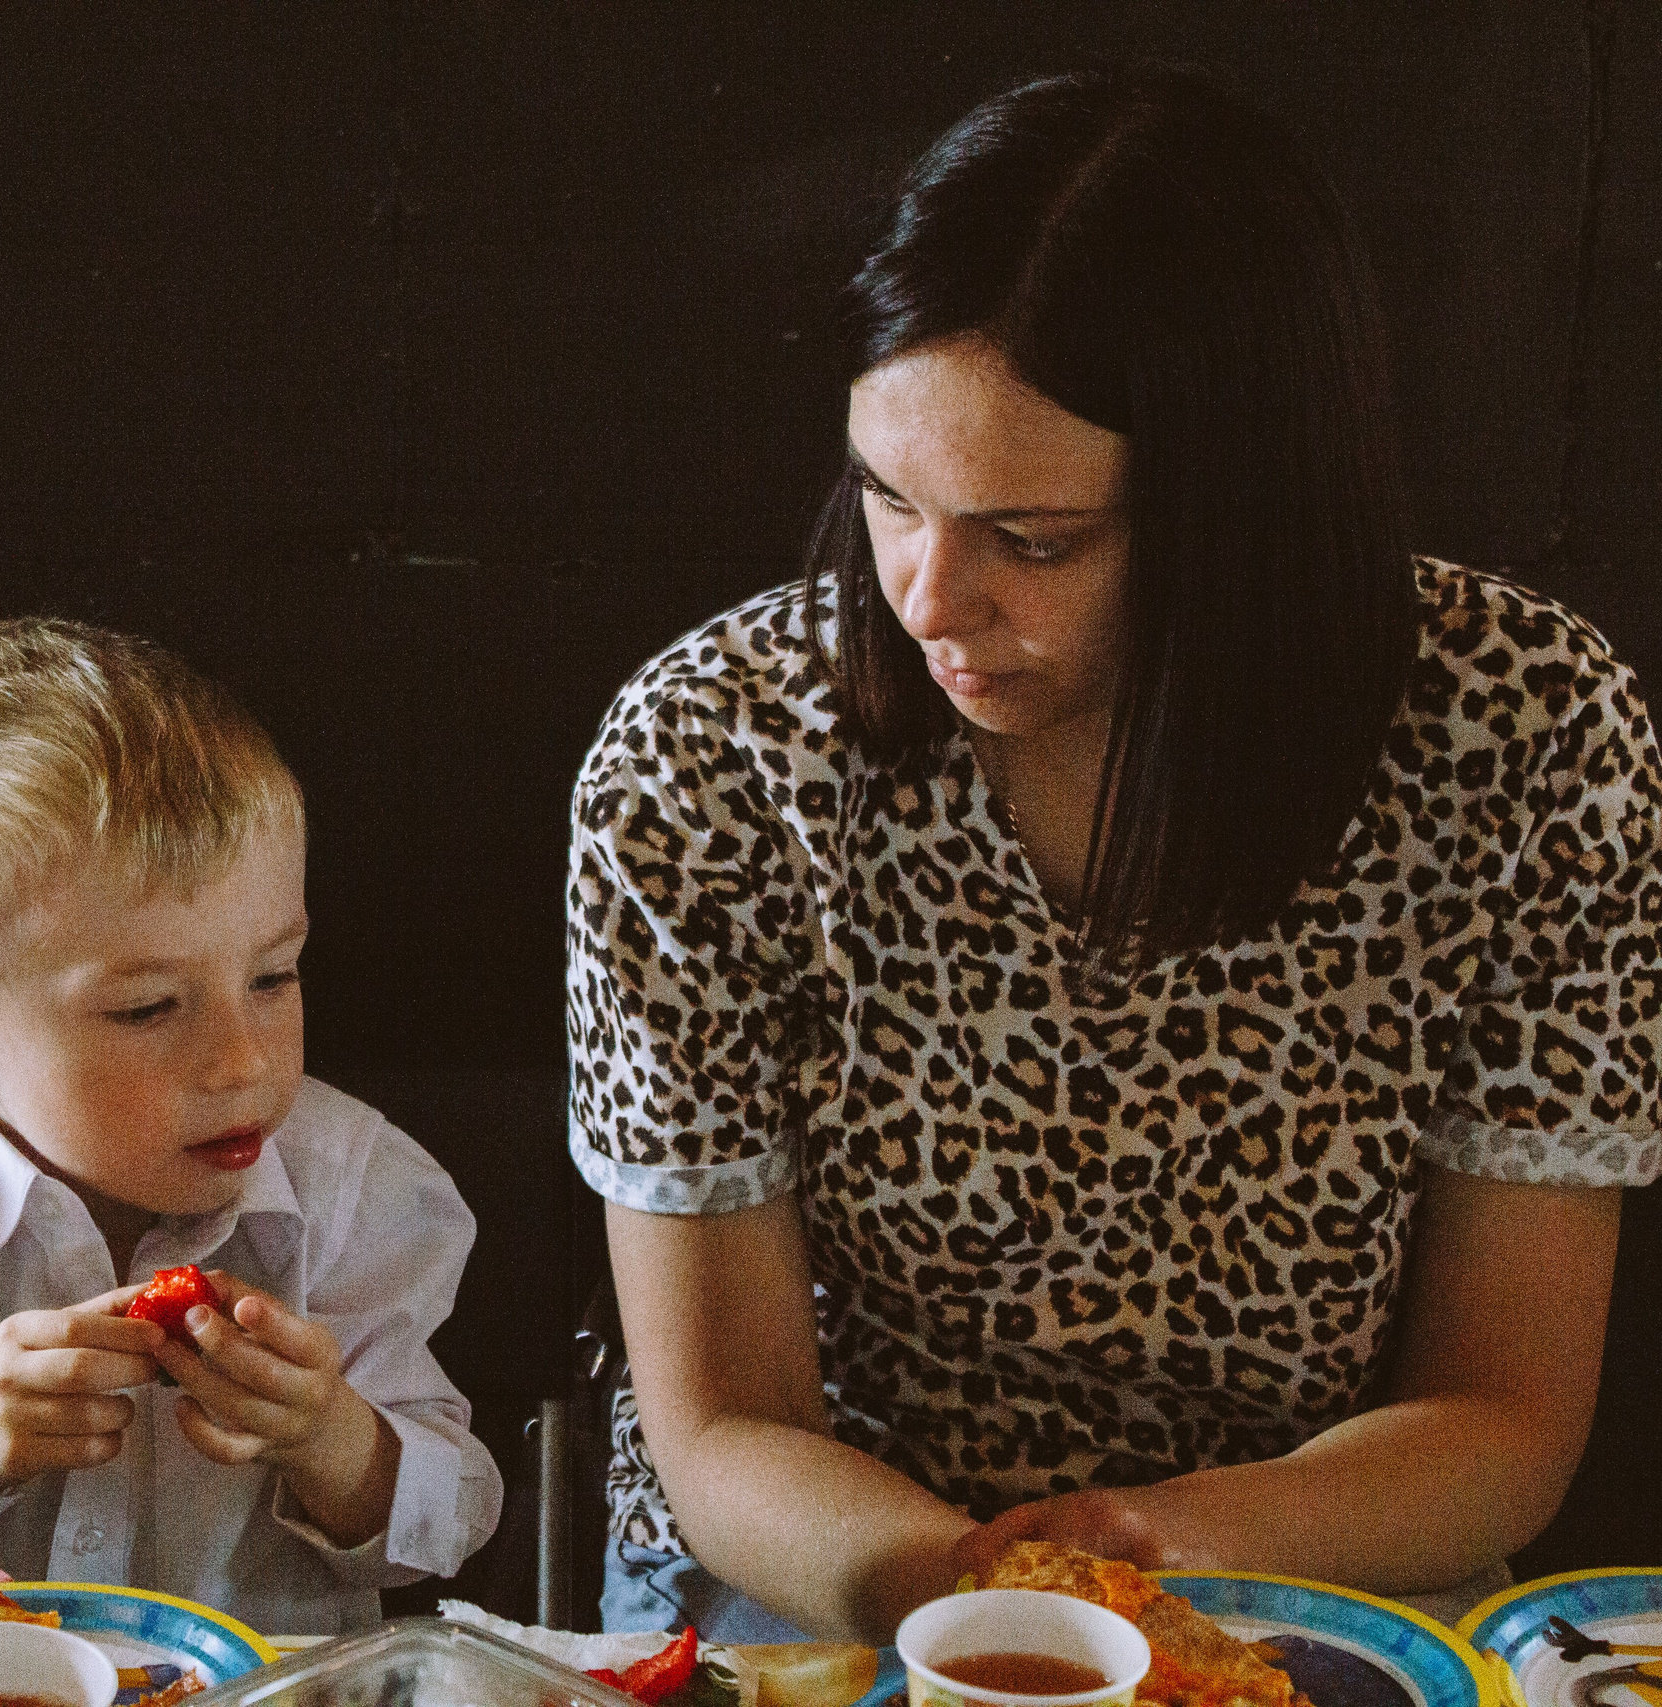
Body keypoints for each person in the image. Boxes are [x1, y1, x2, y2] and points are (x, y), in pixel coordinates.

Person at [568, 64, 1662, 1643]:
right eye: (888, 496)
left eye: (1035, 538)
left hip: (1327, 1546)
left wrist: (1156, 1545)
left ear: (1246, 513)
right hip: (824, 1563)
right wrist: (1003, 1615)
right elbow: (726, 1426)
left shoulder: (1530, 733)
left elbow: (1501, 1416)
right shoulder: (703, 754)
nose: (925, 598)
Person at [0, 618, 501, 1631]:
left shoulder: (359, 1190)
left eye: (273, 976)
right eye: (146, 1009)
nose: (246, 1060)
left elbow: (463, 1520)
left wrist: (333, 1441)